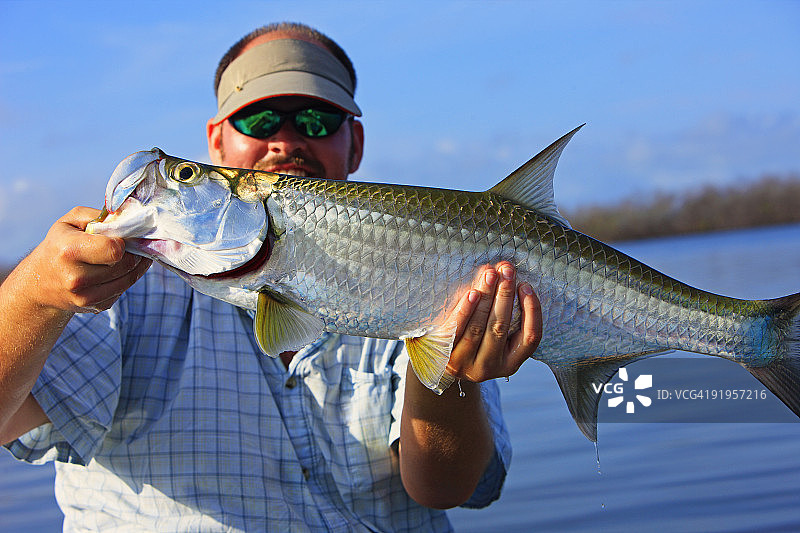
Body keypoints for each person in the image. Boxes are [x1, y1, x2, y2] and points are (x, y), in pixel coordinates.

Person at [0, 22, 542, 531]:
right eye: (259, 121)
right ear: (217, 142)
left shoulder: (422, 266)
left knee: (619, 397)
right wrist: (33, 296)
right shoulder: (112, 291)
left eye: (315, 120)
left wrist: (453, 376)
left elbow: (445, 489)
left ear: (354, 144)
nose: (285, 141)